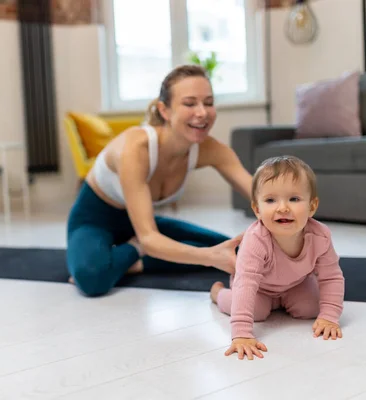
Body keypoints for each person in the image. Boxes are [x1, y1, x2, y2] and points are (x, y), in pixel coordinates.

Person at [65, 64, 254, 297]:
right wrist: (209, 257)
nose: (202, 112)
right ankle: (135, 249)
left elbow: (261, 195)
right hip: (94, 218)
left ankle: (129, 263)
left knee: (239, 249)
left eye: (208, 102)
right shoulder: (137, 148)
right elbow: (150, 237)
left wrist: (298, 222)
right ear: (164, 110)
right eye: (189, 103)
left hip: (141, 219)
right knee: (92, 277)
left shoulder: (211, 150)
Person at [210, 155, 345, 361]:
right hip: (258, 287)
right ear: (257, 209)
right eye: (271, 200)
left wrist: (329, 317)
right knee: (257, 312)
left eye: (294, 199)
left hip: (295, 284)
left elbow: (331, 277)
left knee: (311, 307)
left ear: (312, 206)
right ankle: (218, 293)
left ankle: (284, 301)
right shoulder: (255, 240)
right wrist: (241, 334)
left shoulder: (320, 236)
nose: (282, 208)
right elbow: (246, 284)